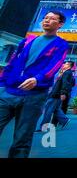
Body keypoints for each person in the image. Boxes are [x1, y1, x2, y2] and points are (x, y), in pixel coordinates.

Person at [0, 10, 68, 158]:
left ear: (60, 24)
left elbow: (55, 65)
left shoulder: (60, 44)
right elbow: (12, 62)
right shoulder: (27, 40)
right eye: (45, 18)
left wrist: (38, 78)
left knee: (22, 138)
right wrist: (2, 83)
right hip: (9, 92)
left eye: (52, 19)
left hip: (34, 96)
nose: (47, 20)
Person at [38, 61, 75, 131]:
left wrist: (63, 93)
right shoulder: (66, 73)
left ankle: (44, 127)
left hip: (56, 94)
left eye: (66, 64)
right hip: (56, 94)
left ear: (69, 66)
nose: (63, 64)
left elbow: (65, 83)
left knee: (48, 110)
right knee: (55, 109)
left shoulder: (67, 73)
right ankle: (64, 120)